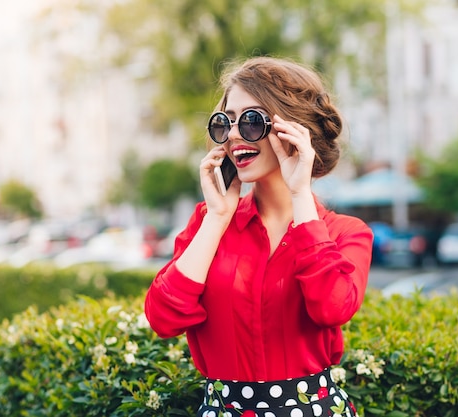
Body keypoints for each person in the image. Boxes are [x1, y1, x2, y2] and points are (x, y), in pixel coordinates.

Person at [145, 56, 373, 417]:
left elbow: (332, 307)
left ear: (293, 131)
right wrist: (218, 216)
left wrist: (300, 195)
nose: (234, 135)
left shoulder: (345, 233)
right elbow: (163, 318)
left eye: (251, 121)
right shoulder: (209, 223)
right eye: (225, 122)